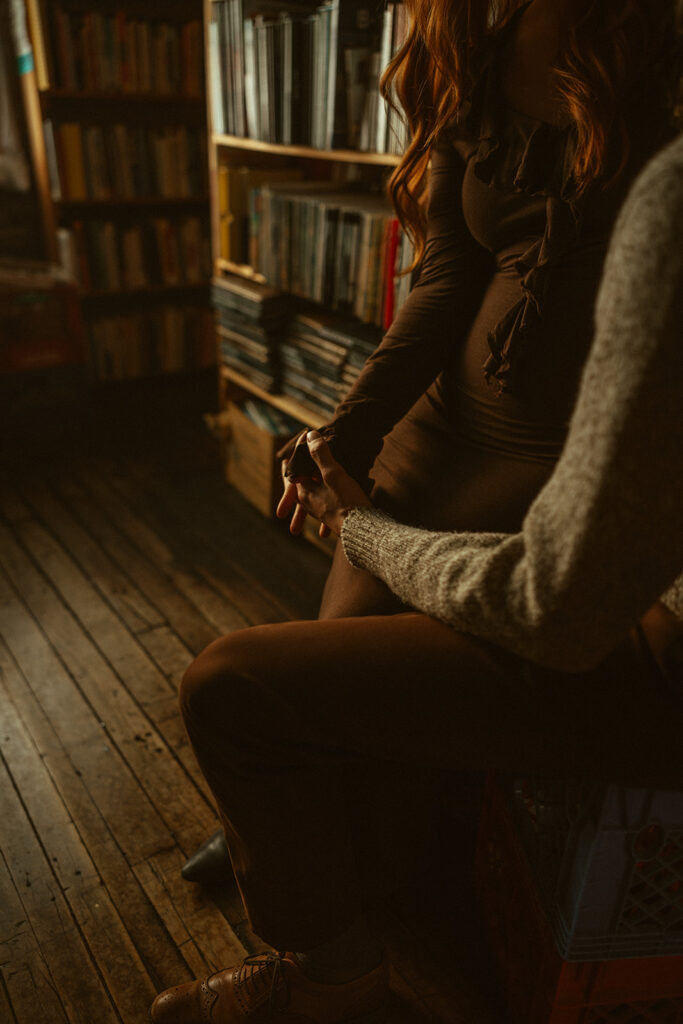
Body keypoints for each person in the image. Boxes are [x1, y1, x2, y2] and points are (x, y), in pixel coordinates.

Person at [149, 5, 683, 1024]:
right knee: (328, 684)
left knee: (354, 711)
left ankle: (310, 855)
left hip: (561, 451)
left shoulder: (650, 42)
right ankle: (291, 829)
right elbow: (445, 276)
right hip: (447, 424)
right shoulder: (466, 37)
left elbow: (565, 585)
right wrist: (346, 434)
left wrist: (362, 524)